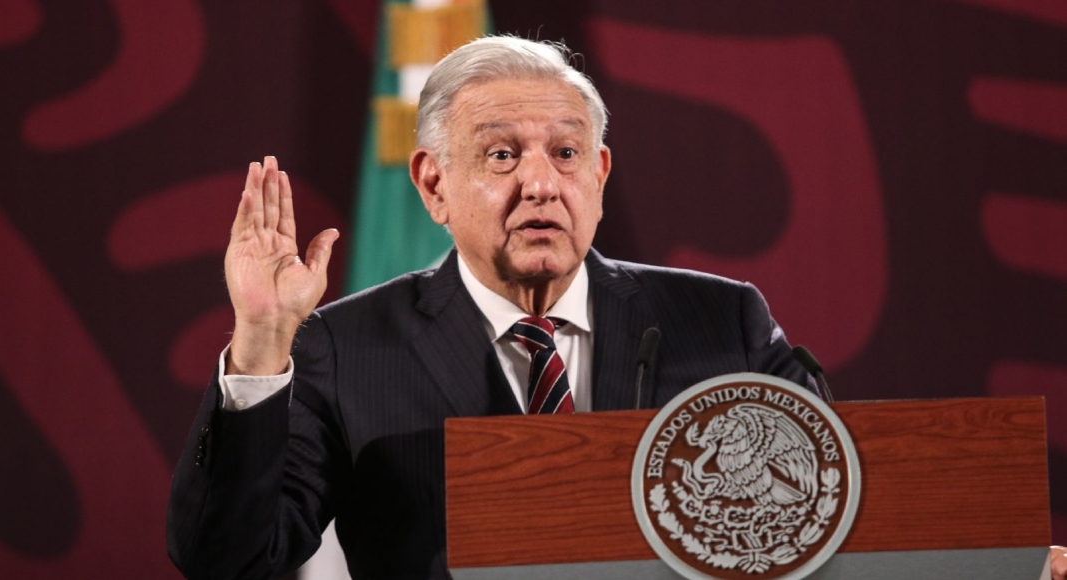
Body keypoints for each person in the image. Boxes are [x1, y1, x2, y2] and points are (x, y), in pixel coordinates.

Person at [165, 37, 1067, 580]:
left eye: (565, 153)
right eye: (503, 155)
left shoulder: (726, 325)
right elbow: (228, 564)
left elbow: (837, 517)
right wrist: (258, 345)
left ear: (600, 176)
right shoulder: (339, 348)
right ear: (433, 185)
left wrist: (984, 566)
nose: (541, 183)